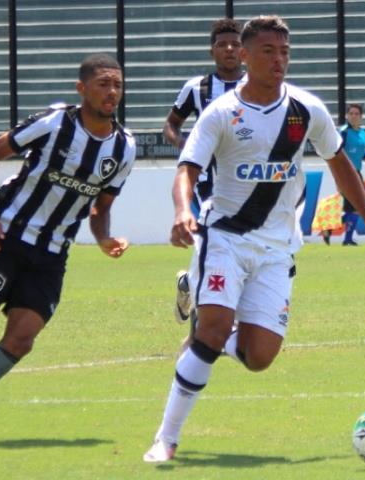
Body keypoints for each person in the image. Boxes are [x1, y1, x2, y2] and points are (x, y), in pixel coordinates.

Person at [143, 15, 365, 463]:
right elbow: (188, 170)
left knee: (259, 357)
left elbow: (339, 163)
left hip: (278, 247)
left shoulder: (306, 109)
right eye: (267, 52)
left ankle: (203, 316)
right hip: (224, 236)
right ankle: (166, 438)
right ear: (244, 56)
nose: (278, 60)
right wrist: (183, 211)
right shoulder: (220, 114)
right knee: (213, 332)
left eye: (284, 52)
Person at [0, 53, 136, 444]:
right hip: (11, 237)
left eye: (117, 84)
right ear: (82, 88)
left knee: (21, 340)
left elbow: (100, 208)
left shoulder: (124, 148)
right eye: (103, 83)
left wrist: (103, 238)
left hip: (52, 254)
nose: (111, 92)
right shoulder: (54, 123)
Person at [164, 18, 245, 327]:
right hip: (208, 181)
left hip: (247, 182)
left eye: (235, 44)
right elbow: (171, 123)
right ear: (212, 51)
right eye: (222, 44)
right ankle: (211, 314)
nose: (229, 49)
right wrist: (185, 145)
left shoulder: (257, 86)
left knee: (235, 244)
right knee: (218, 238)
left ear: (244, 51)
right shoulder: (196, 88)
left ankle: (189, 284)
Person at [322, 103, 365, 246]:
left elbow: (362, 151)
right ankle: (346, 238)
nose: (353, 116)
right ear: (347, 115)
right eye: (351, 114)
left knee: (358, 208)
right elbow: (337, 152)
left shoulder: (363, 132)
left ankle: (332, 230)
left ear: (361, 116)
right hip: (346, 174)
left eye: (356, 114)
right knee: (359, 207)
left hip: (356, 173)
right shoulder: (344, 132)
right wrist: (338, 177)